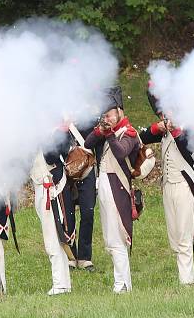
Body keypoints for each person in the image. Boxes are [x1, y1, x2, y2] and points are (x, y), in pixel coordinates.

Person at [139, 83, 194, 285]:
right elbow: (141, 138)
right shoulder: (164, 128)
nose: (164, 116)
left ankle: (187, 282)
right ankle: (186, 277)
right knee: (175, 237)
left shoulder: (190, 127)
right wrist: (157, 127)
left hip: (185, 185)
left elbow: (193, 156)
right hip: (168, 186)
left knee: (185, 237)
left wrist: (176, 131)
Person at [84, 86, 141, 294]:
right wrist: (101, 130)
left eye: (109, 114)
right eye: (104, 115)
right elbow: (88, 143)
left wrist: (108, 134)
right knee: (110, 238)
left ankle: (123, 284)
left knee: (117, 238)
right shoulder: (111, 131)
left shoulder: (129, 133)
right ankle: (121, 282)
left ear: (119, 112)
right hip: (106, 186)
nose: (107, 118)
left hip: (119, 188)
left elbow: (120, 152)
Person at [30, 133, 74, 296]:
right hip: (40, 185)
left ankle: (60, 284)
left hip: (51, 187)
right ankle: (63, 283)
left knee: (53, 238)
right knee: (54, 237)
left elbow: (51, 157)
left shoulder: (56, 132)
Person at [64, 121, 100, 272]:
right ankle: (71, 256)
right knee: (68, 213)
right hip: (66, 168)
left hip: (88, 168)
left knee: (88, 212)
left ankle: (85, 257)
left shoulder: (90, 116)